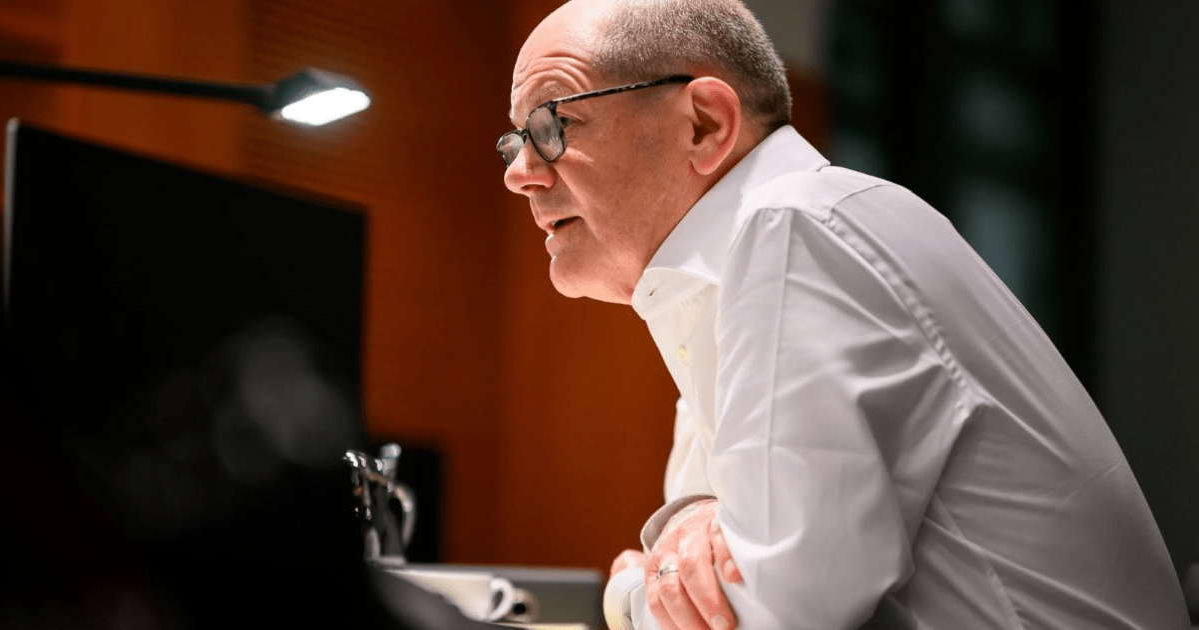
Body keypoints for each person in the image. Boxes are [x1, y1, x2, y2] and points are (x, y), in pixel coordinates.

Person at [498, 0, 1190, 628]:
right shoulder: (733, 274)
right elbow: (699, 575)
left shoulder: (796, 227)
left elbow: (772, 615)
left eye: (554, 125)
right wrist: (688, 542)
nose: (518, 172)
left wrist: (624, 595)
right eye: (514, 140)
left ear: (704, 124)